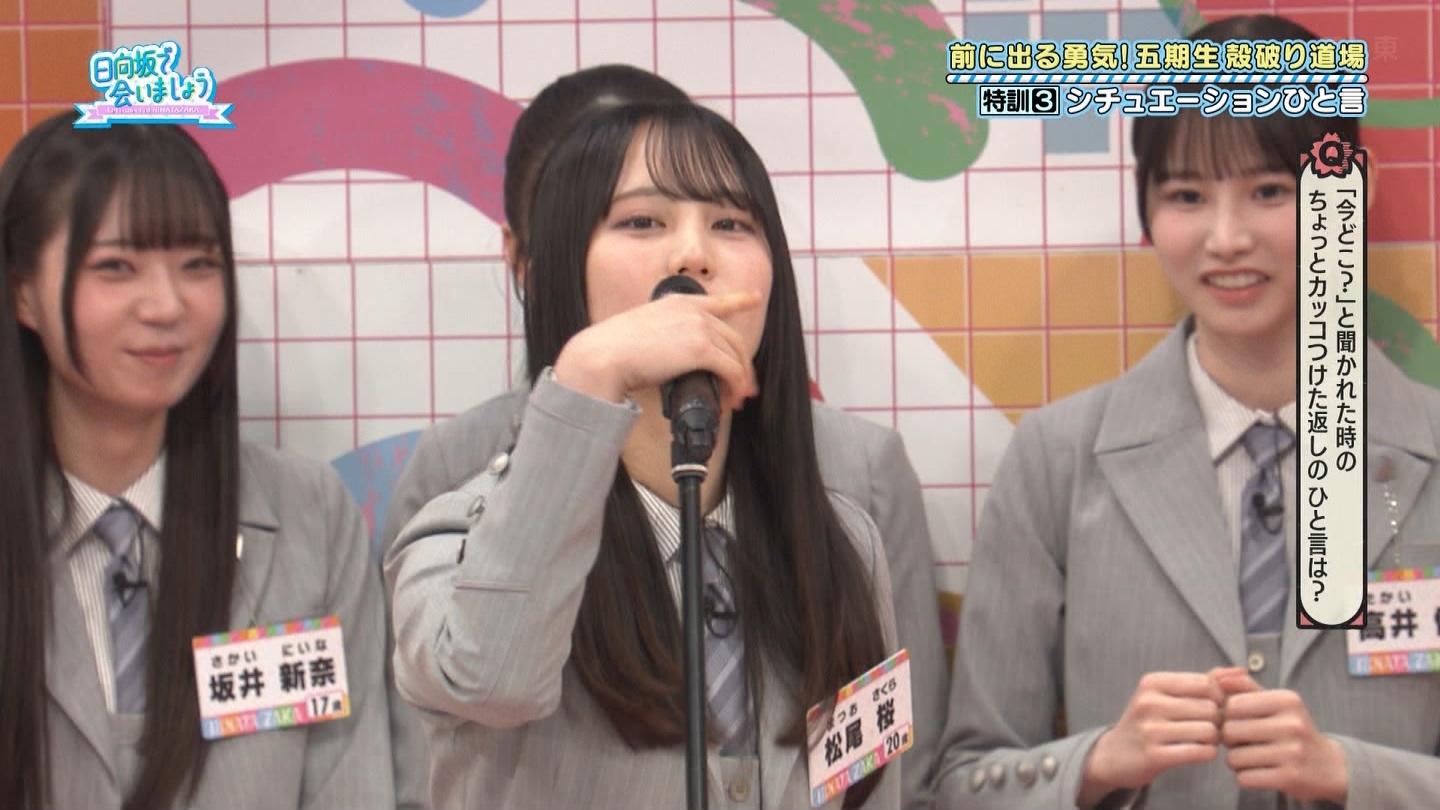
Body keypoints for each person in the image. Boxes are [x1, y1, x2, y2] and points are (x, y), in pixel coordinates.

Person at [384, 62, 947, 809]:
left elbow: (871, 782)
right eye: (642, 222)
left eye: (732, 223)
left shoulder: (845, 544)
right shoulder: (457, 534)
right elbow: (493, 680)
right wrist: (589, 376)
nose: (692, 254)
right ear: (554, 267)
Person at [936, 14, 1440, 810]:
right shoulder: (1057, 459)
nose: (1226, 238)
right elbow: (965, 782)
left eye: (1270, 191)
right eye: (1187, 196)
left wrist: (1358, 776)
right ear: (1147, 210)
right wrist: (1097, 763)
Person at [0, 114, 394, 809]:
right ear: (23, 290)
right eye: (116, 267)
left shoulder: (309, 516)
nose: (167, 306)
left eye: (199, 265)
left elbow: (353, 783)